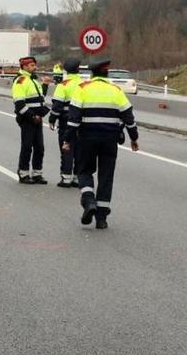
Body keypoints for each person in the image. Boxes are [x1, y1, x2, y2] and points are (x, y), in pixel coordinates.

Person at [62, 59, 139, 229]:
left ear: (91, 73)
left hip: (86, 139)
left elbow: (73, 119)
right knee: (106, 176)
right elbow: (129, 118)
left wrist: (68, 139)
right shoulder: (116, 91)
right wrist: (134, 138)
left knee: (84, 171)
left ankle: (89, 201)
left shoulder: (82, 89)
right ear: (107, 73)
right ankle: (102, 218)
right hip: (109, 141)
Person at [11, 56, 51, 184]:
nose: (35, 67)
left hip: (38, 119)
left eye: (34, 65)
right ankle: (23, 173)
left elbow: (39, 99)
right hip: (28, 120)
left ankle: (37, 174)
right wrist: (32, 116)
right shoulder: (20, 81)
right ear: (25, 66)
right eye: (32, 65)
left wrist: (44, 86)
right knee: (27, 147)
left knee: (40, 147)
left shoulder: (33, 80)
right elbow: (19, 104)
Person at [48, 57, 83, 187]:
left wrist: (52, 119)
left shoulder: (63, 85)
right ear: (78, 70)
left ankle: (66, 178)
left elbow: (57, 105)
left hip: (66, 122)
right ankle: (77, 178)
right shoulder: (83, 84)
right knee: (79, 150)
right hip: (81, 122)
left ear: (66, 71)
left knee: (66, 147)